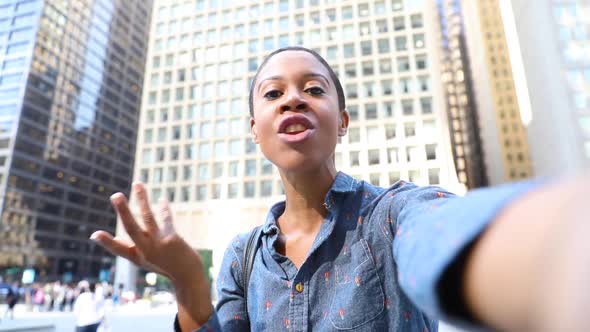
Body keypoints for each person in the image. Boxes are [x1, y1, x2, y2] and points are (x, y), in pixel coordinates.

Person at [90, 46, 590, 331]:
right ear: (255, 129)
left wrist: (561, 250)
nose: (292, 100)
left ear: (342, 120)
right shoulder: (243, 257)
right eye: (273, 93)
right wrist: (187, 284)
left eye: (313, 89)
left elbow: (447, 232)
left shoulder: (393, 215)